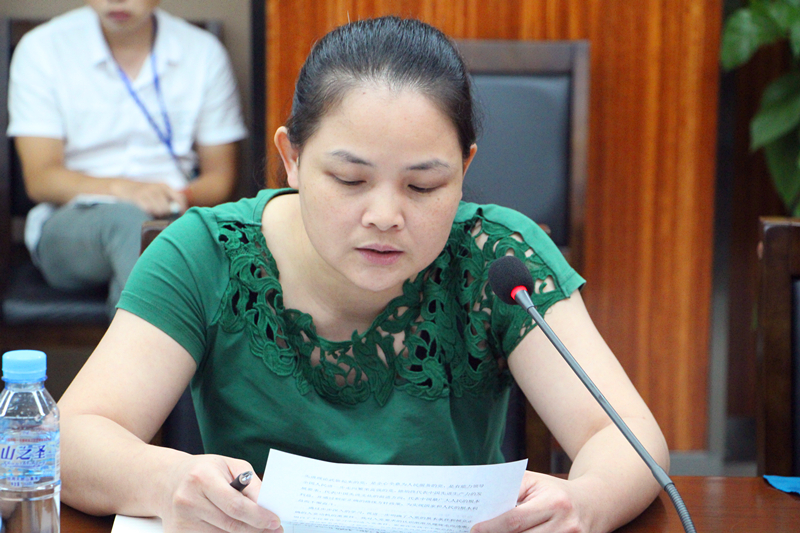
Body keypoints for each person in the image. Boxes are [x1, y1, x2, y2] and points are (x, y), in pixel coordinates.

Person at [57, 15, 669, 533]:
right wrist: (166, 479)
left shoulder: (498, 258)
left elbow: (626, 438)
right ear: (292, 158)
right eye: (350, 180)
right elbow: (70, 438)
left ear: (464, 169)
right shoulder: (206, 252)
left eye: (423, 186)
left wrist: (584, 503)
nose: (385, 216)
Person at [7, 0, 247, 314]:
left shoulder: (203, 52)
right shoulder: (42, 47)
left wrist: (177, 197)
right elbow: (41, 180)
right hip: (74, 219)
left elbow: (221, 178)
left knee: (164, 235)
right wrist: (127, 190)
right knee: (135, 228)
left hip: (174, 212)